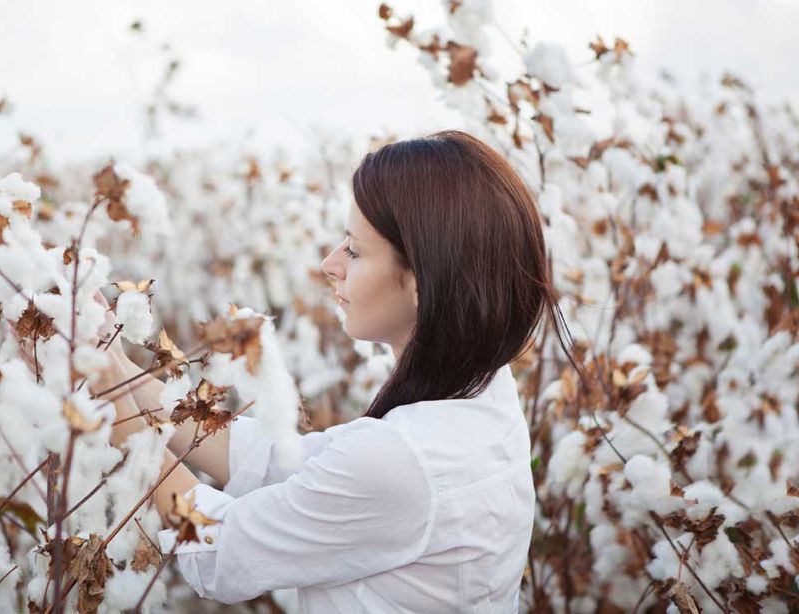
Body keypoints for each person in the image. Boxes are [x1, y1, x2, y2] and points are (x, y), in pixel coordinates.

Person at [97, 130, 579, 613]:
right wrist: (115, 365)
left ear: (419, 281)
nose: (330, 264)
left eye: (354, 249)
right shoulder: (483, 394)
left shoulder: (404, 458)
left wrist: (131, 432)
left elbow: (219, 551)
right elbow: (285, 464)